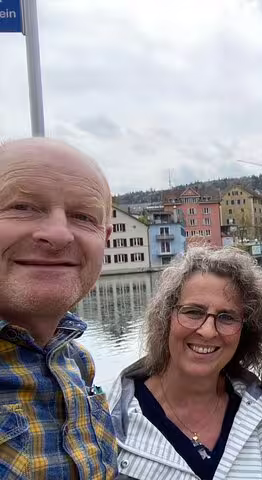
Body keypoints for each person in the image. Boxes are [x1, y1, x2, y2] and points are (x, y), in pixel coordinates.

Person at [0, 138, 118, 479]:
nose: (58, 234)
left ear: (104, 239)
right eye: (23, 206)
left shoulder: (77, 362)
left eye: (82, 216)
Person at [108, 247, 262, 480]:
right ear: (166, 318)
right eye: (193, 312)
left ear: (245, 331)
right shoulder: (111, 419)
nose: (208, 331)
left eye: (227, 317)